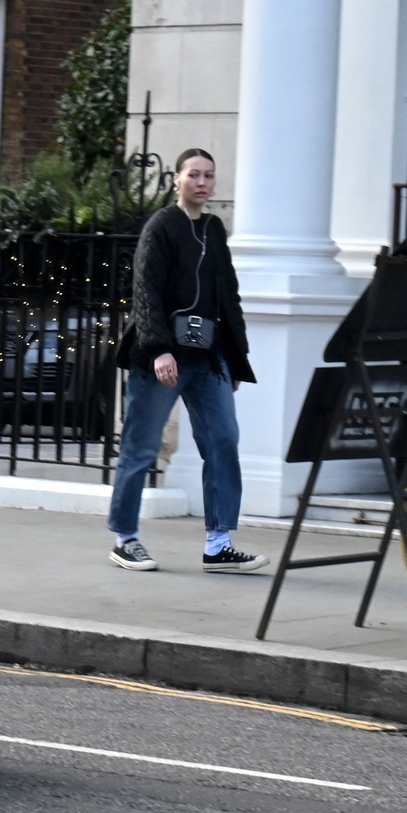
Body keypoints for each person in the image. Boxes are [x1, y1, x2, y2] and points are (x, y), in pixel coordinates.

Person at [110, 148, 264, 573]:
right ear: (176, 180)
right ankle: (125, 538)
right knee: (141, 448)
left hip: (209, 359)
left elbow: (227, 296)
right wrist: (159, 348)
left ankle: (219, 543)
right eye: (193, 174)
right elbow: (146, 292)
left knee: (223, 440)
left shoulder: (215, 230)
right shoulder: (161, 226)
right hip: (163, 358)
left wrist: (235, 360)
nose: (202, 182)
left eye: (209, 176)